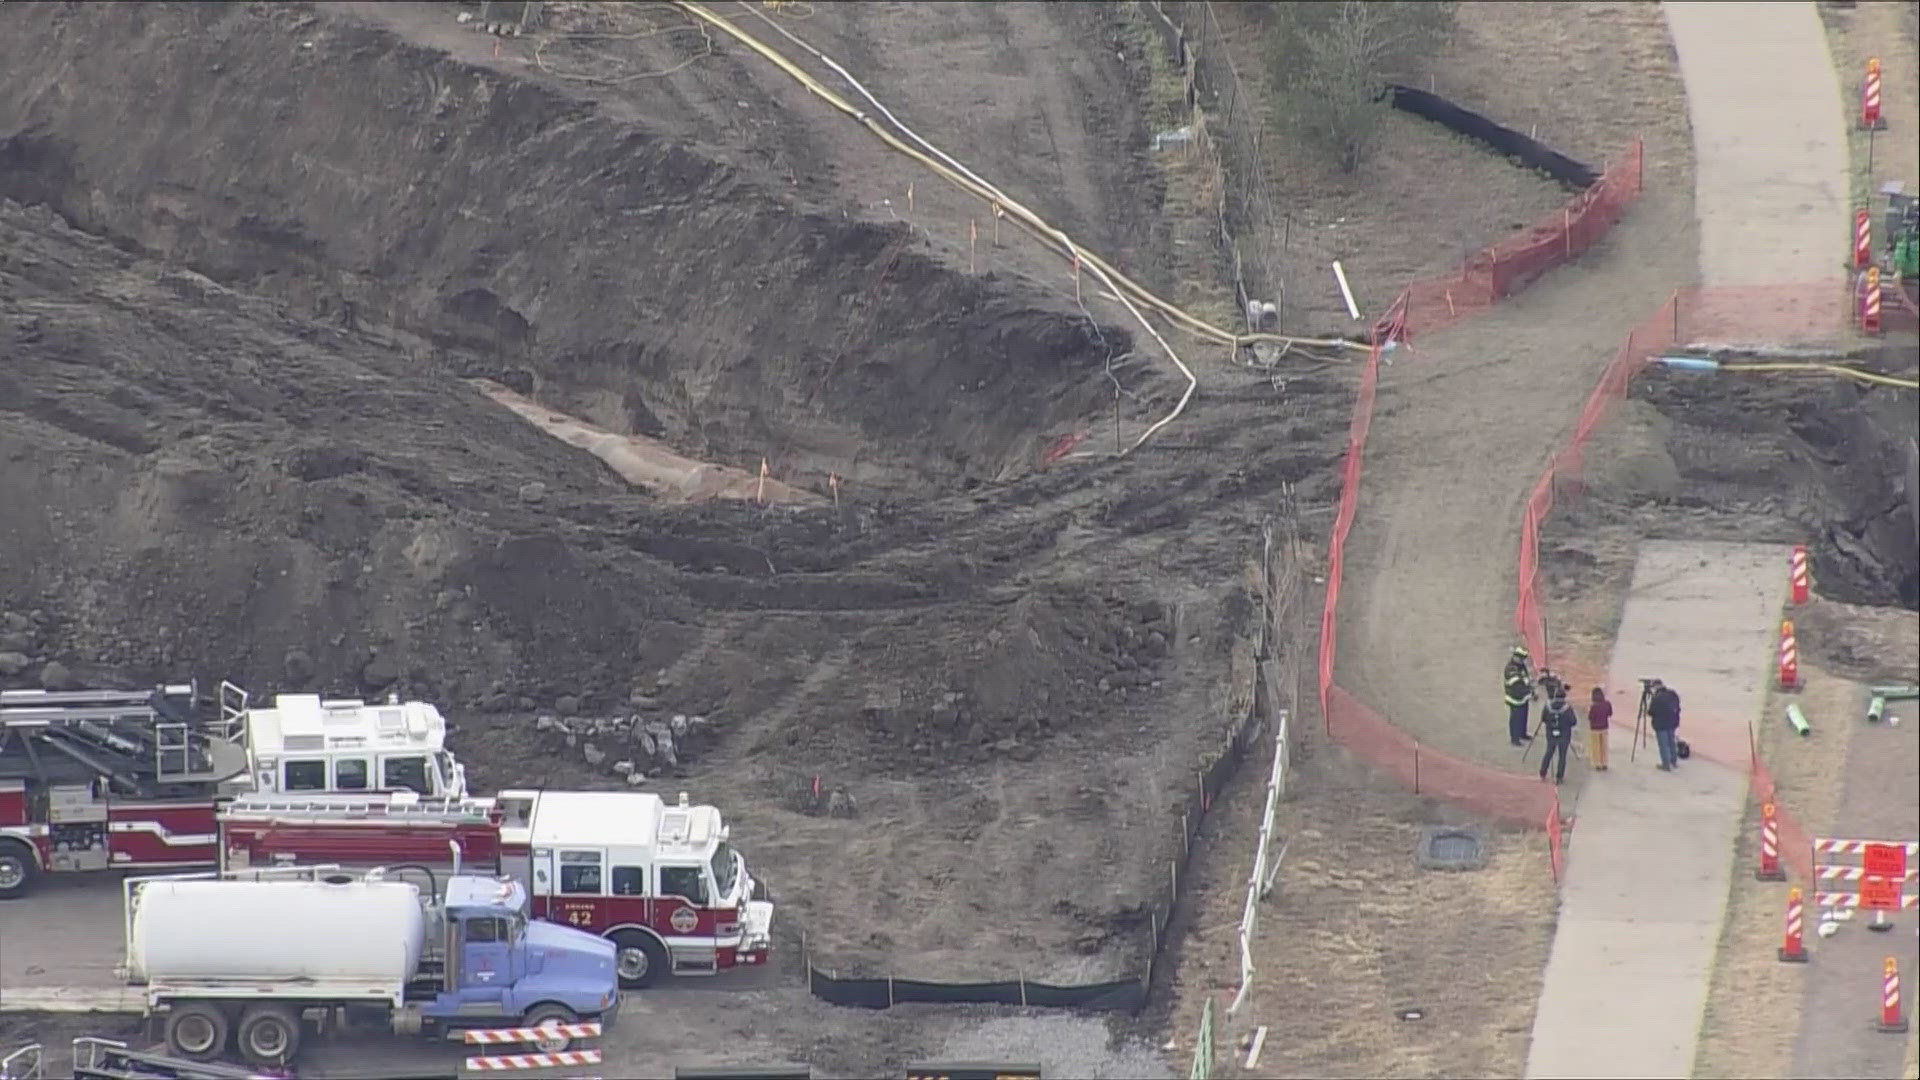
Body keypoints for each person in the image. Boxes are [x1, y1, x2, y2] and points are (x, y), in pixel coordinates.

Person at [1538, 683, 1576, 784]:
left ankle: (1543, 772)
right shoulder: (1567, 708)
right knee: (1562, 755)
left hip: (1551, 732)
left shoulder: (1548, 706)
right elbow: (1573, 721)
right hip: (1564, 734)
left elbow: (1543, 719)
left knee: (1549, 752)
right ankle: (1559, 776)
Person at [1504, 646, 1535, 747]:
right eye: (1521, 658)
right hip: (1514, 698)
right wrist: (1529, 692)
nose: (1523, 660)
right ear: (1516, 657)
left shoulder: (1521, 665)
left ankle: (1522, 733)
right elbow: (1517, 685)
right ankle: (1515, 738)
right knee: (1515, 719)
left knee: (1523, 716)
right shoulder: (1511, 669)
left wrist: (1531, 689)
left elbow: (1526, 678)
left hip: (1523, 697)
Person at [1648, 680, 1682, 770]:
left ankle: (1666, 765)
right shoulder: (1672, 694)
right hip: (1672, 722)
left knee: (1663, 745)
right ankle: (1674, 761)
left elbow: (1651, 711)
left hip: (1661, 724)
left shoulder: (1657, 698)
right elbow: (1678, 706)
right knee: (1671, 742)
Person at [1586, 686, 1612, 772]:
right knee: (1604, 746)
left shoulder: (1593, 706)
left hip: (1594, 728)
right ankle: (1604, 762)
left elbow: (1590, 717)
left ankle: (1597, 763)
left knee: (1596, 746)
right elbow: (1610, 713)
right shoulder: (1607, 704)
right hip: (1604, 727)